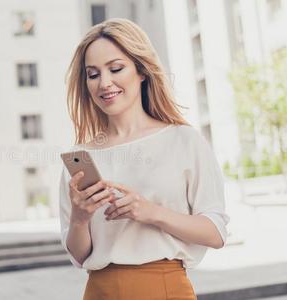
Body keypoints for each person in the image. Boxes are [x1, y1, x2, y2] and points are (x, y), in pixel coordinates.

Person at [59, 18, 229, 300]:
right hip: (99, 291)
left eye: (115, 69)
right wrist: (79, 219)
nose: (105, 83)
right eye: (93, 74)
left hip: (164, 288)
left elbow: (216, 233)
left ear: (141, 71)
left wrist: (150, 212)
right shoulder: (81, 158)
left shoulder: (183, 140)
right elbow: (79, 256)